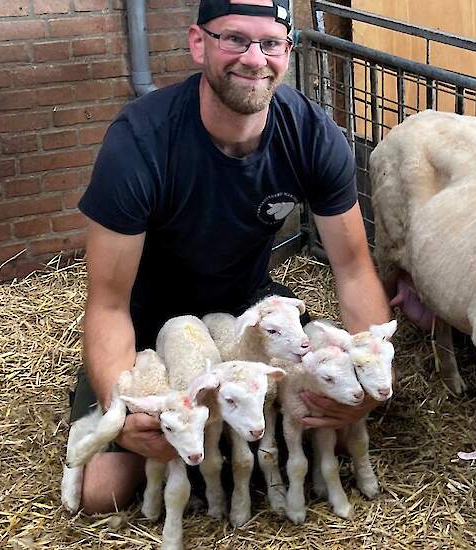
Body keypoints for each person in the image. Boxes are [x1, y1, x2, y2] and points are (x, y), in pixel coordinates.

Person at [70, 0, 391, 513]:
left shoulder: (312, 135)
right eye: (235, 39)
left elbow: (353, 270)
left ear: (287, 50)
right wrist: (121, 411)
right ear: (200, 43)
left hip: (246, 317)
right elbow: (107, 303)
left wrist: (366, 382)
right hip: (150, 324)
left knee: (332, 415)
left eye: (271, 43)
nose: (254, 58)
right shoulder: (140, 143)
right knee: (102, 493)